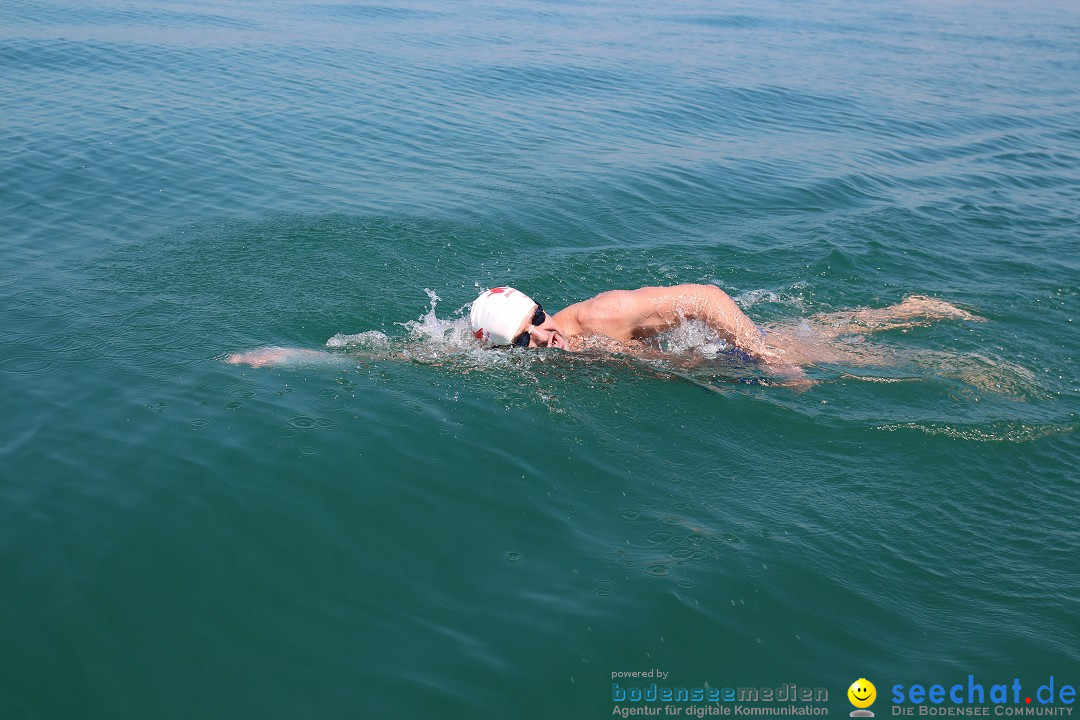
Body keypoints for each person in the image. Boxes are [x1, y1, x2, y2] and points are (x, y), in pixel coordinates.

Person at [227, 283, 979, 377]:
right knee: (831, 333)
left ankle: (951, 354)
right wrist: (287, 357)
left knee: (844, 356)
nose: (544, 341)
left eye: (540, 324)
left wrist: (767, 355)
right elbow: (396, 358)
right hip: (689, 360)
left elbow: (708, 294)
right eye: (526, 343)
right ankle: (910, 310)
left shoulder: (601, 317)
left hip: (719, 341)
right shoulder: (500, 355)